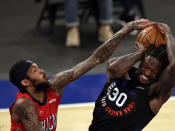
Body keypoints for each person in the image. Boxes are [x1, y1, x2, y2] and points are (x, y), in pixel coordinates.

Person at [9, 19, 152, 131]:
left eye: (38, 67)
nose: (41, 71)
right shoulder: (24, 104)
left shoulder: (54, 86)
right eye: (35, 71)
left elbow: (96, 59)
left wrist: (127, 28)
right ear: (25, 82)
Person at [89, 23, 175, 131]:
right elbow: (111, 67)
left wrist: (168, 33)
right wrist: (140, 53)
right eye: (146, 67)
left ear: (159, 74)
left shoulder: (156, 91)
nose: (147, 72)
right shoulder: (125, 71)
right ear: (140, 62)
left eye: (153, 71)